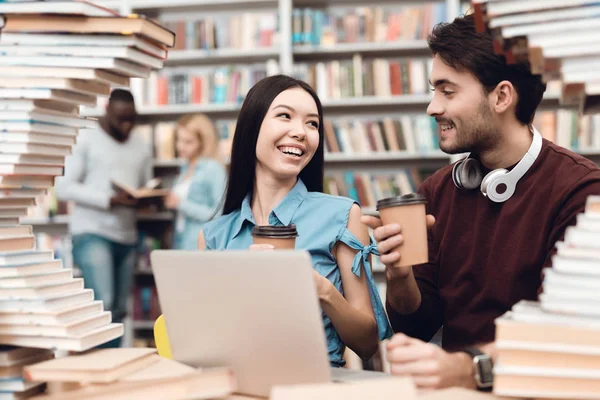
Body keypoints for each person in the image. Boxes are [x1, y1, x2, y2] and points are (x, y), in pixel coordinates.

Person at [362, 13, 600, 390]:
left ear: (501, 96)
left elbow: (566, 336)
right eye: (433, 90)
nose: (432, 107)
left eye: (448, 91)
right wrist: (400, 275)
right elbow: (417, 324)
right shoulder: (437, 192)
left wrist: (466, 368)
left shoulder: (583, 193)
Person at [198, 75, 392, 367]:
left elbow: (367, 343)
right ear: (252, 127)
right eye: (285, 116)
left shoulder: (342, 216)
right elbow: (205, 342)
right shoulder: (214, 235)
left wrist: (323, 291)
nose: (301, 132)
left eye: (312, 123)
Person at [56, 89, 153, 347]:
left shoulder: (141, 145)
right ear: (107, 110)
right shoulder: (86, 139)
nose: (127, 125)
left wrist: (144, 199)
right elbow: (63, 188)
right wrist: (108, 199)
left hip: (127, 234)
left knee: (120, 310)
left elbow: (145, 185)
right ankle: (99, 368)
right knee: (103, 303)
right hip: (92, 233)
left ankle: (112, 369)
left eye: (132, 118)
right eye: (121, 118)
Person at [164, 114, 227, 250]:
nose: (180, 146)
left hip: (199, 243)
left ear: (202, 142)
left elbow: (219, 213)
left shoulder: (213, 169)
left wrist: (181, 204)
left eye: (188, 142)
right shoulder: (184, 169)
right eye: (178, 140)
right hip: (180, 240)